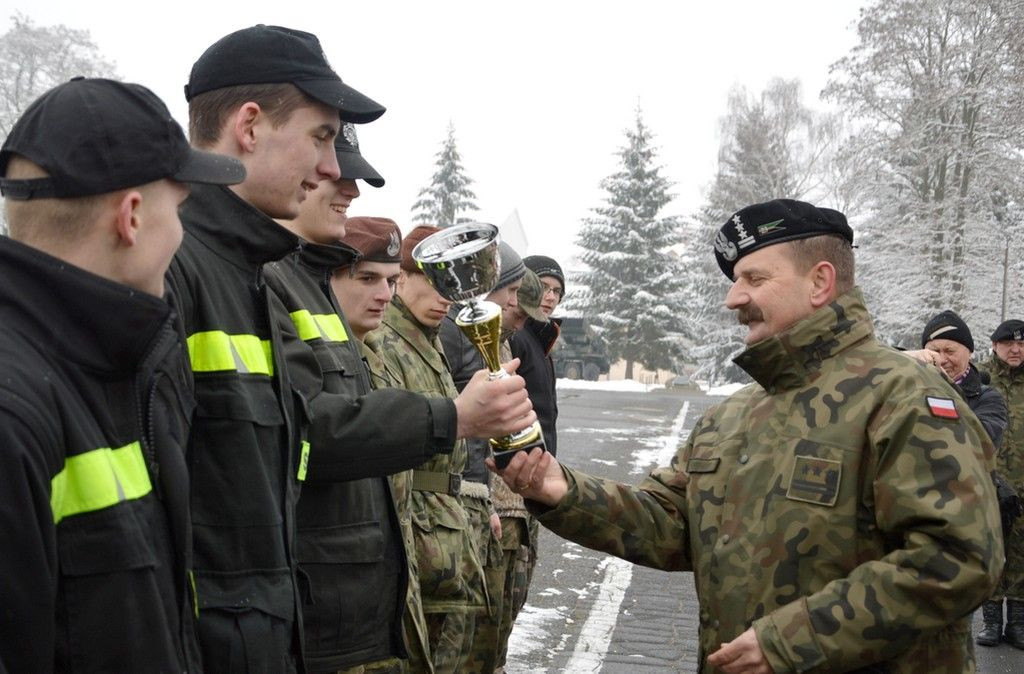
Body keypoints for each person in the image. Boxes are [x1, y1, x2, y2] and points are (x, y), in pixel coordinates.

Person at [493, 198, 1004, 673]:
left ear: (820, 282)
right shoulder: (730, 418)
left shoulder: (903, 399)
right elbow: (674, 524)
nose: (733, 298)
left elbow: (958, 558)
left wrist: (794, 639)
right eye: (736, 280)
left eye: (753, 278)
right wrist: (559, 489)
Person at [171, 25, 534, 672]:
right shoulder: (180, 266)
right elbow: (307, 434)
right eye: (321, 138)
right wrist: (453, 418)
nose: (336, 172)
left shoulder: (255, 268)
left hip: (300, 626)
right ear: (249, 127)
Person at [0, 78, 244, 672]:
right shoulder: (16, 412)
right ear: (132, 217)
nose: (181, 234)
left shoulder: (119, 365)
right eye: (180, 208)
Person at [260, 128, 403, 673]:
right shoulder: (269, 280)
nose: (351, 190)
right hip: (308, 608)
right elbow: (312, 432)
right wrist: (454, 419)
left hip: (341, 605)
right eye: (331, 166)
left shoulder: (308, 282)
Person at [366, 226, 497, 673]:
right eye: (431, 280)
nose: (445, 295)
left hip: (445, 528)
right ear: (401, 279)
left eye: (450, 284)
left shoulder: (429, 338)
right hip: (420, 531)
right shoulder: (385, 339)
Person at [439, 241, 548, 672]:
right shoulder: (452, 333)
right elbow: (450, 426)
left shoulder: (497, 339)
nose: (513, 305)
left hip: (491, 499)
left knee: (491, 631)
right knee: (465, 637)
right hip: (462, 505)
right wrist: (477, 500)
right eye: (511, 292)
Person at [334, 216, 433, 673]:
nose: (385, 295)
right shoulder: (326, 356)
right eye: (368, 278)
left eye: (391, 281)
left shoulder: (370, 351)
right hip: (343, 589)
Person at [906, 310, 1008, 446]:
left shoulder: (987, 398)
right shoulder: (909, 385)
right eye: (934, 351)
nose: (941, 359)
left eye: (950, 351)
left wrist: (942, 387)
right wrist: (905, 361)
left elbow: (979, 442)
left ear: (969, 353)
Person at [982, 319, 1024, 649]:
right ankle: (992, 622)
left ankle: (1018, 624)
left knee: (1022, 552)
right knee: (992, 549)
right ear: (995, 345)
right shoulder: (980, 379)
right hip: (990, 484)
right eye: (1008, 343)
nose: (1016, 349)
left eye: (1022, 344)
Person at [510, 255, 565, 456]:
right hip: (521, 460)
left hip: (539, 458)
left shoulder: (541, 336)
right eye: (543, 287)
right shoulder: (516, 335)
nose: (551, 297)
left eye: (557, 291)